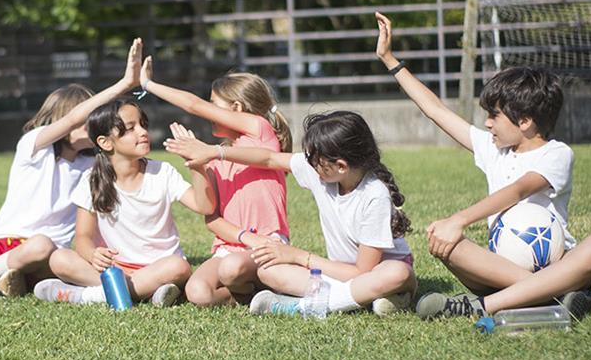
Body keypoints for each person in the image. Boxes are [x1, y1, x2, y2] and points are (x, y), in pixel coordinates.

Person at [374, 12, 591, 319]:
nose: (487, 124)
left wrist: (459, 219)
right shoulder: (493, 148)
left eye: (494, 116)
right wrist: (389, 58)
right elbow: (435, 110)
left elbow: (518, 190)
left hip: (555, 262)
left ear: (525, 121)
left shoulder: (557, 154)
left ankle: (486, 306)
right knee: (442, 239)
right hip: (501, 268)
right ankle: (552, 295)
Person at [0, 38, 144, 297]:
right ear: (62, 119)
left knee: (41, 244)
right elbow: (73, 118)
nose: (91, 124)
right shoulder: (34, 146)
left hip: (42, 256)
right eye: (86, 118)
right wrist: (123, 84)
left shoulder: (94, 166)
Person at [165, 111, 416, 316]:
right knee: (267, 271)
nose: (310, 165)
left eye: (316, 160)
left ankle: (305, 306)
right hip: (337, 274)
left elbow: (362, 272)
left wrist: (299, 257)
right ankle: (370, 301)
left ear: (340, 166)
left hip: (372, 274)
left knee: (397, 273)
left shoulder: (374, 195)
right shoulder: (323, 175)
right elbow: (269, 159)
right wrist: (215, 152)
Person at [139, 57, 292, 307]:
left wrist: (147, 84)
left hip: (268, 244)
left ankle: (266, 282)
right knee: (197, 292)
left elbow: (192, 105)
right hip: (231, 246)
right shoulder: (214, 157)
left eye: (214, 106)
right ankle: (250, 294)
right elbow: (211, 215)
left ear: (236, 108)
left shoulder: (259, 129)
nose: (208, 111)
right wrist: (197, 164)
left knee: (231, 269)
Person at [34, 98, 211, 307]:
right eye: (130, 128)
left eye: (143, 125)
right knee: (59, 258)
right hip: (113, 269)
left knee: (178, 267)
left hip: (158, 266)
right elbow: (83, 237)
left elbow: (204, 206)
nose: (142, 132)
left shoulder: (162, 173)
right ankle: (141, 291)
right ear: (105, 142)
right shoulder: (92, 180)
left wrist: (195, 164)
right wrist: (92, 254)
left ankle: (90, 296)